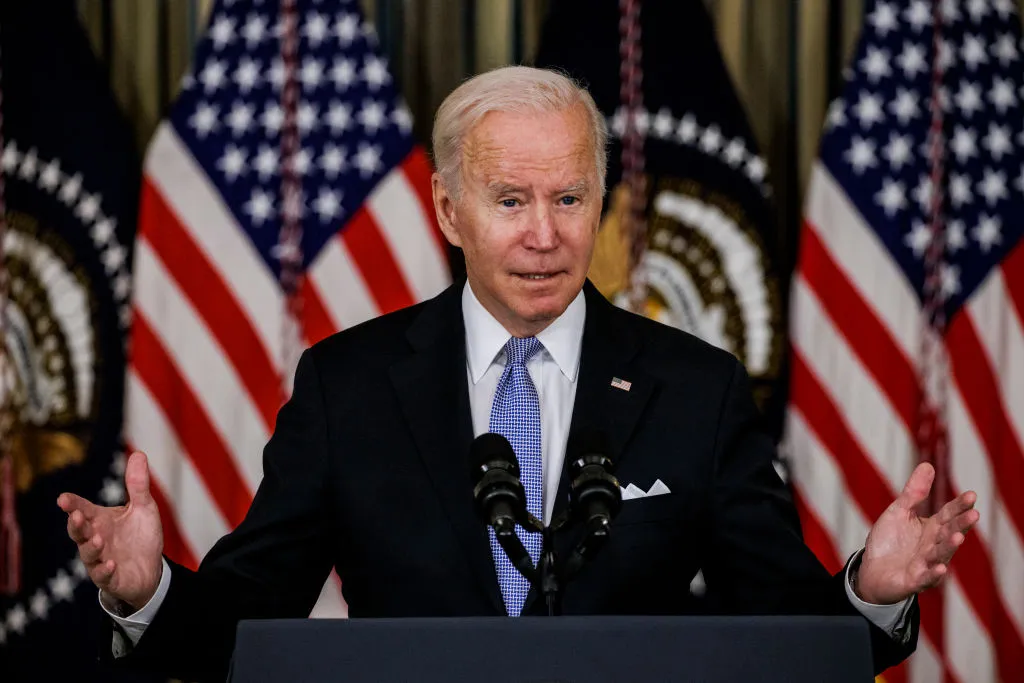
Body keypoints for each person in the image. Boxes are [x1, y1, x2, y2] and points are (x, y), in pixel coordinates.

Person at [58, 66, 978, 682]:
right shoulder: (351, 384)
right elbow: (243, 626)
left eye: (570, 198)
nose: (546, 233)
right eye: (511, 201)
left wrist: (873, 589)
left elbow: (788, 637)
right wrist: (148, 592)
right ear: (449, 211)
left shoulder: (694, 387)